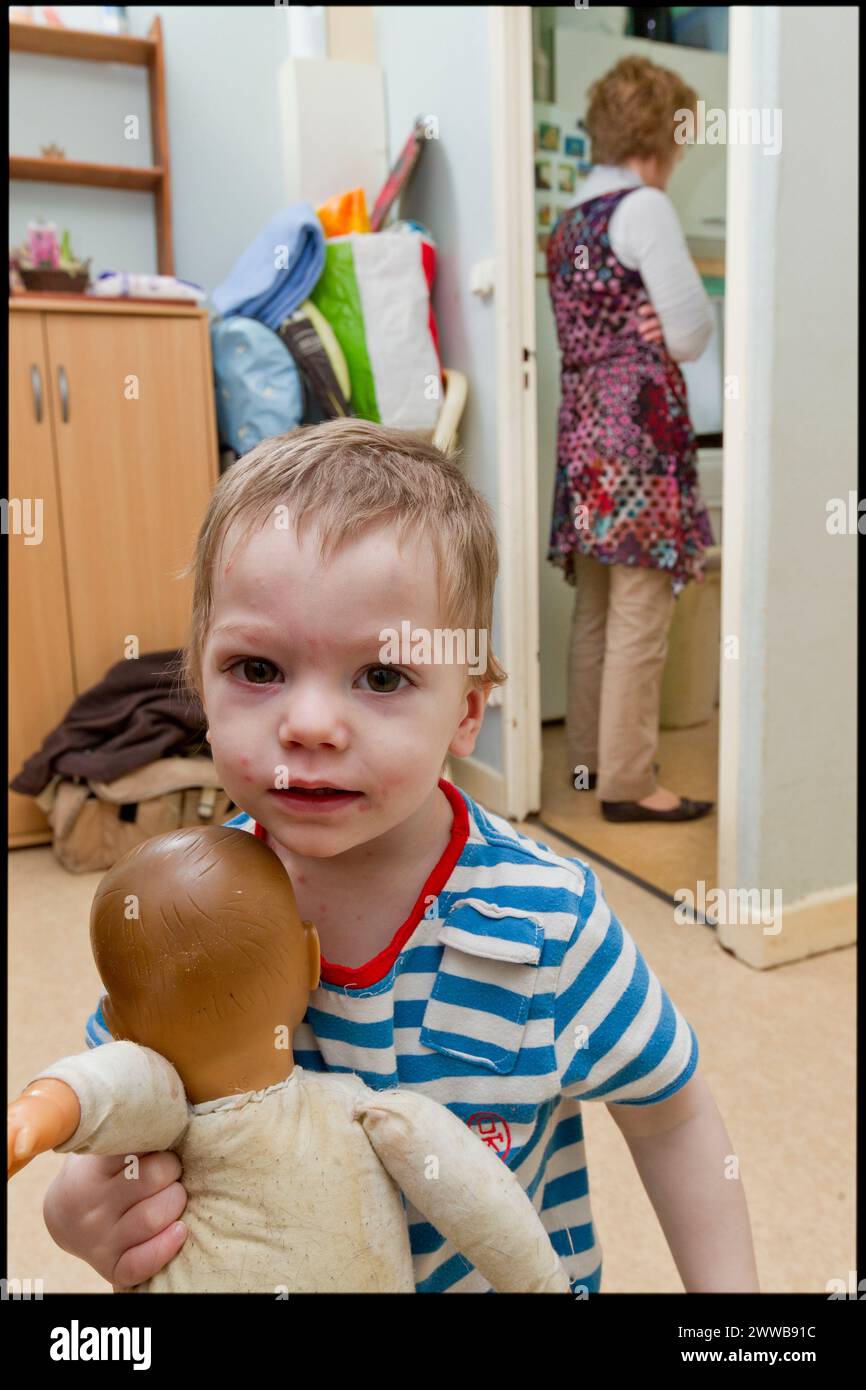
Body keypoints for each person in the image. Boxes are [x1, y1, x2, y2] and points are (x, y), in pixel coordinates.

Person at [42, 419, 758, 1292]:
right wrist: (85, 1202)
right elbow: (123, 1103)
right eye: (257, 668)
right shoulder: (177, 905)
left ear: (468, 710)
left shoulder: (546, 924)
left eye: (382, 678)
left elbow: (670, 1118)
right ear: (199, 675)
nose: (308, 725)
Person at [547, 55, 717, 822]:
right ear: (662, 136)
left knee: (598, 609)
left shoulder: (569, 223)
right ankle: (628, 785)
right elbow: (689, 332)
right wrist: (663, 323)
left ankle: (587, 766)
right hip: (636, 438)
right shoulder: (643, 208)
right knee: (643, 612)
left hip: (583, 430)